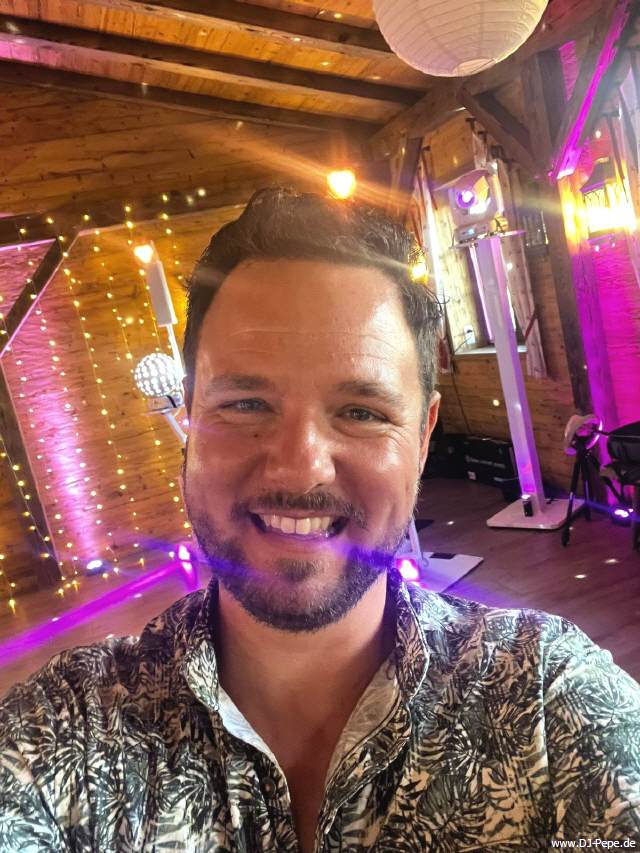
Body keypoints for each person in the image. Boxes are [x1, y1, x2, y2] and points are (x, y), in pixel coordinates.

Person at [0, 187, 639, 853]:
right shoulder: (55, 739)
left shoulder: (551, 705)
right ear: (189, 415)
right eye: (246, 403)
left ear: (423, 435)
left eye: (362, 411)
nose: (301, 469)